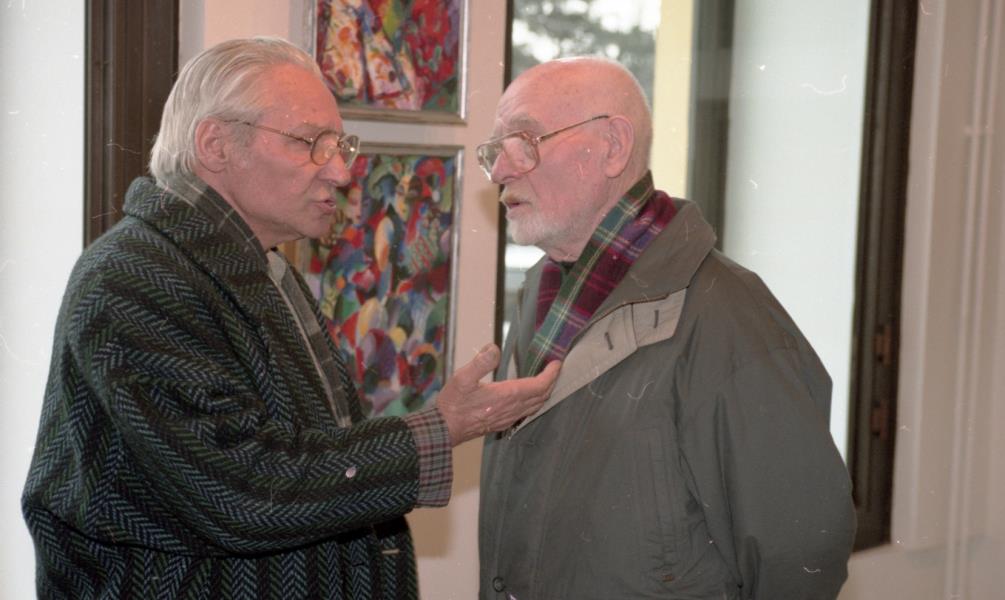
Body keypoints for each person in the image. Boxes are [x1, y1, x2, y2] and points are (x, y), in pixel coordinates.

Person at [21, 37, 559, 599]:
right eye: (311, 143)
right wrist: (441, 428)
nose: (340, 173)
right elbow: (244, 491)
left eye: (340, 145)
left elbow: (303, 472)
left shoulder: (262, 270)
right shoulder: (135, 278)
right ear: (215, 144)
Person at [476, 57, 856, 600]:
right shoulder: (543, 294)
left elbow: (799, 557)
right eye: (495, 150)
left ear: (613, 146)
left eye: (524, 141)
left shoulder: (730, 316)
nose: (500, 170)